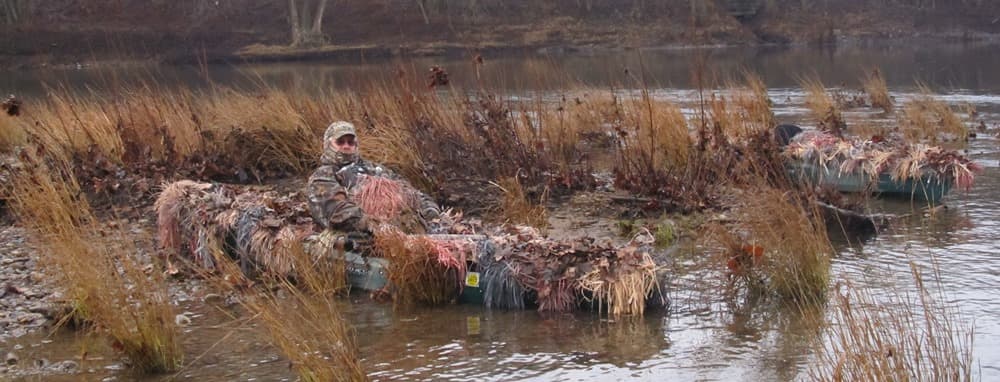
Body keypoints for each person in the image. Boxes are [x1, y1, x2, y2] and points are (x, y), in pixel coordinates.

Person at [307, 121, 443, 250]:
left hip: (400, 233)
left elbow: (411, 192)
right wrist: (375, 225)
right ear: (328, 144)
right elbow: (336, 211)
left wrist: (430, 212)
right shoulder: (324, 176)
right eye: (340, 142)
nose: (346, 146)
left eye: (350, 142)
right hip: (360, 238)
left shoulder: (376, 169)